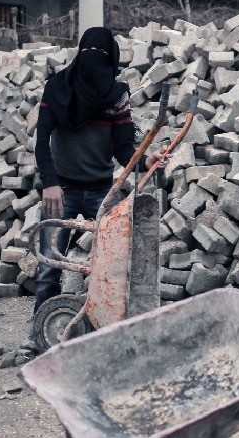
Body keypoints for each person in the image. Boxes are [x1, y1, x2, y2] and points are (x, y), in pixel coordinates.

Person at [27, 27, 163, 340]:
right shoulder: (58, 88)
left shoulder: (115, 95)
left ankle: (109, 329)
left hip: (102, 191)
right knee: (49, 263)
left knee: (114, 264)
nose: (93, 62)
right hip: (60, 190)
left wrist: (146, 159)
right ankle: (39, 333)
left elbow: (123, 148)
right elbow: (42, 140)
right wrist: (49, 183)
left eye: (100, 55)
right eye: (88, 52)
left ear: (112, 60)